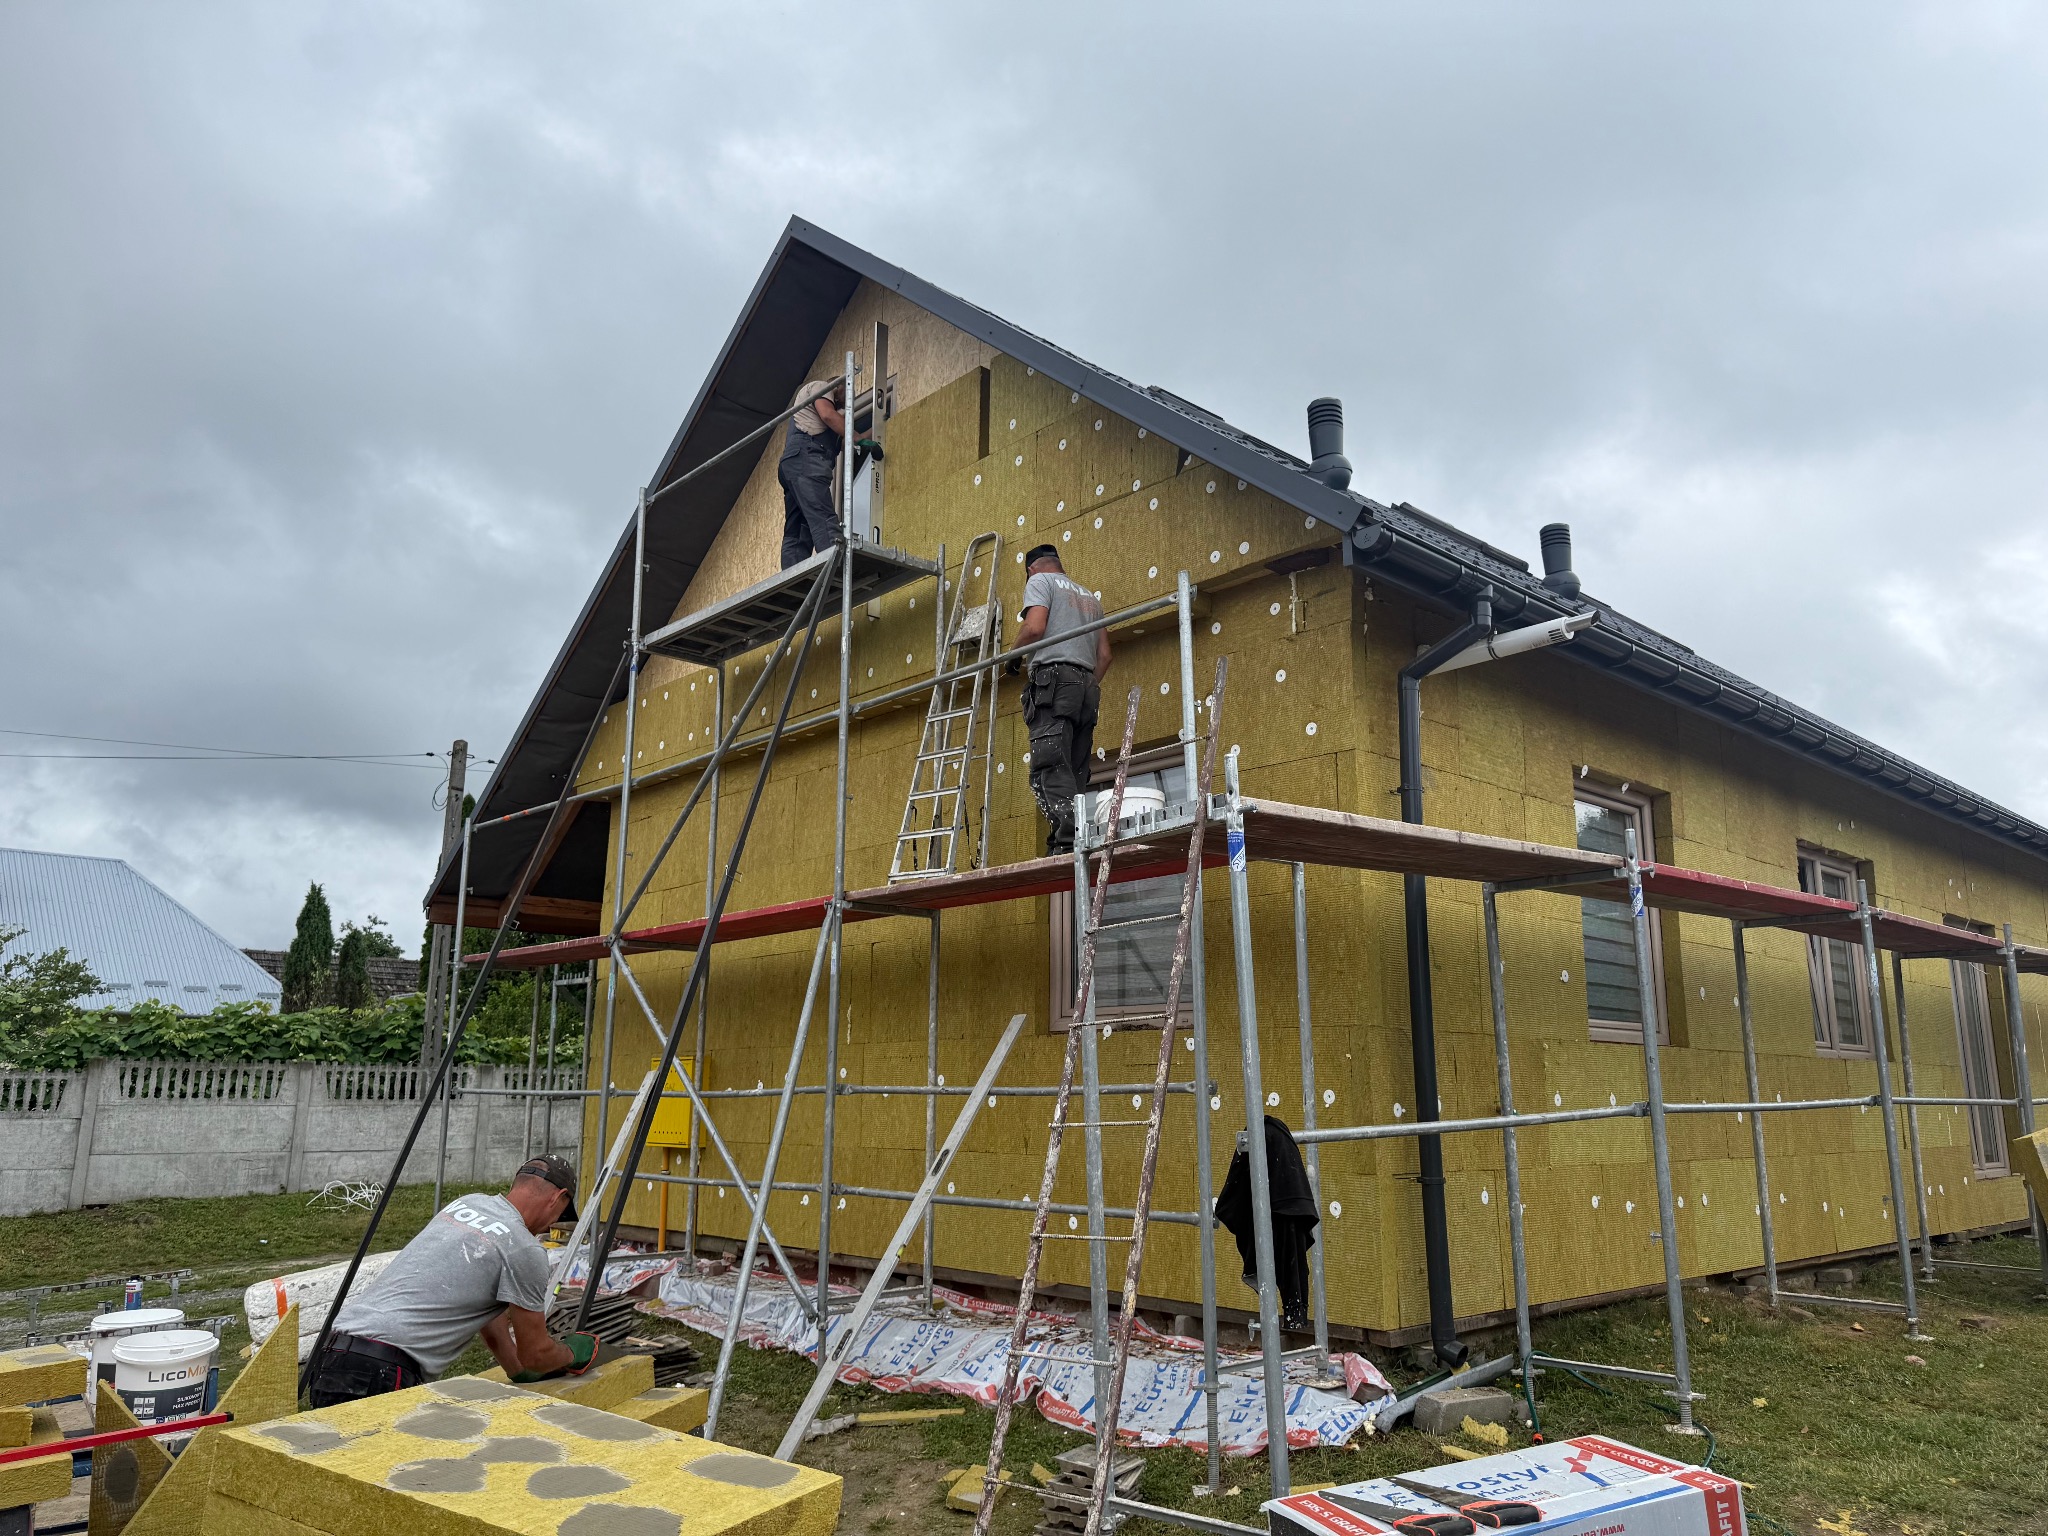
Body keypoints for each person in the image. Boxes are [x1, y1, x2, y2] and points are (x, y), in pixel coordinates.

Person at [308, 1155, 600, 1406]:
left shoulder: (467, 1204)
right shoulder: (524, 1248)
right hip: (383, 1369)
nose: (552, 1225)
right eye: (560, 1214)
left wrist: (517, 1370)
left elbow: (489, 1320)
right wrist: (570, 1353)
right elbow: (535, 1353)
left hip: (332, 1353)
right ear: (557, 1198)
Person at [1014, 546, 1112, 855]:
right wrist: (1081, 685)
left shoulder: (1040, 582)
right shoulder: (1090, 598)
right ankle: (1070, 838)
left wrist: (1011, 657)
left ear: (1031, 570)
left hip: (1054, 680)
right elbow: (1105, 656)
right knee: (1076, 766)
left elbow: (1034, 627)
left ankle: (1069, 841)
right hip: (1085, 686)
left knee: (1050, 765)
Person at [779, 377, 847, 568]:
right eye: (847, 394)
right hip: (805, 460)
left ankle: (792, 574)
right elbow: (828, 415)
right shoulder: (822, 387)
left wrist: (868, 438)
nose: (847, 401)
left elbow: (844, 442)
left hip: (793, 465)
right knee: (822, 515)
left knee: (799, 526)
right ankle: (837, 566)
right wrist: (856, 435)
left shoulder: (817, 422)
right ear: (838, 385)